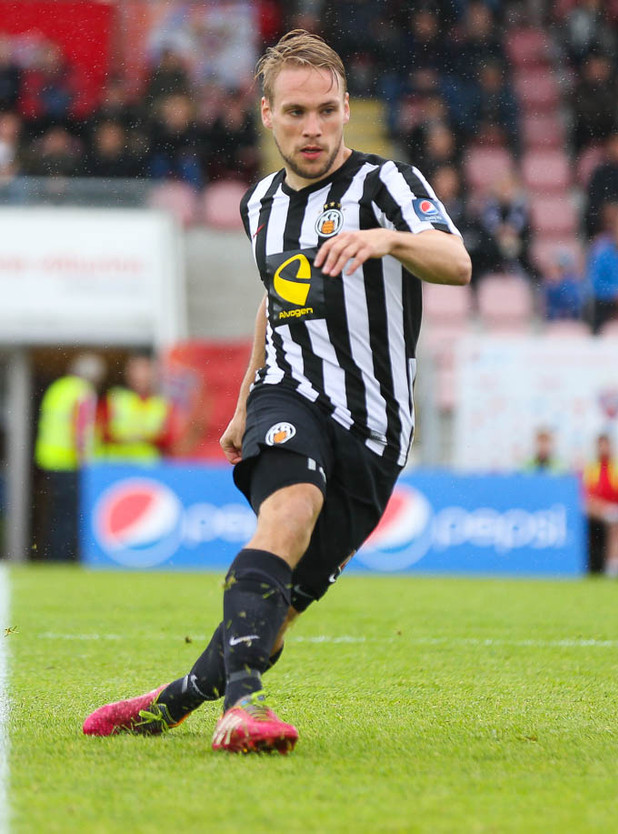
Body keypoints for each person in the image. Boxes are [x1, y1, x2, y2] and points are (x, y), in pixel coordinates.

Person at [82, 29, 471, 754]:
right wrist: (244, 401)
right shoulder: (259, 203)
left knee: (282, 606)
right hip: (289, 395)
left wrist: (386, 240)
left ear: (346, 107)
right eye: (295, 112)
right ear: (267, 115)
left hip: (376, 430)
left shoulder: (386, 186)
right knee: (288, 509)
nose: (312, 128)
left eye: (325, 110)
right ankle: (243, 707)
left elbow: (457, 261)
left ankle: (173, 701)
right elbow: (275, 297)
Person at [33, 352, 106, 562]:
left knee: (56, 514)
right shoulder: (82, 392)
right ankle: (61, 558)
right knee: (68, 516)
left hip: (50, 460)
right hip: (69, 463)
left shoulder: (58, 388)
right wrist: (85, 462)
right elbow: (79, 429)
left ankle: (52, 556)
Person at [95, 352, 178, 462]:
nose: (140, 375)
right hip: (116, 465)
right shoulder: (114, 399)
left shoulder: (162, 404)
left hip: (149, 466)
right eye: (136, 370)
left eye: (146, 370)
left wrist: (144, 439)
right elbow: (99, 432)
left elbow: (170, 439)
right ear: (128, 372)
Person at [582, 433, 618, 577]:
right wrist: (606, 509)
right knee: (610, 515)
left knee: (617, 523)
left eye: (606, 445)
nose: (604, 449)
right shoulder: (589, 468)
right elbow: (585, 495)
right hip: (595, 512)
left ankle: (614, 566)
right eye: (601, 445)